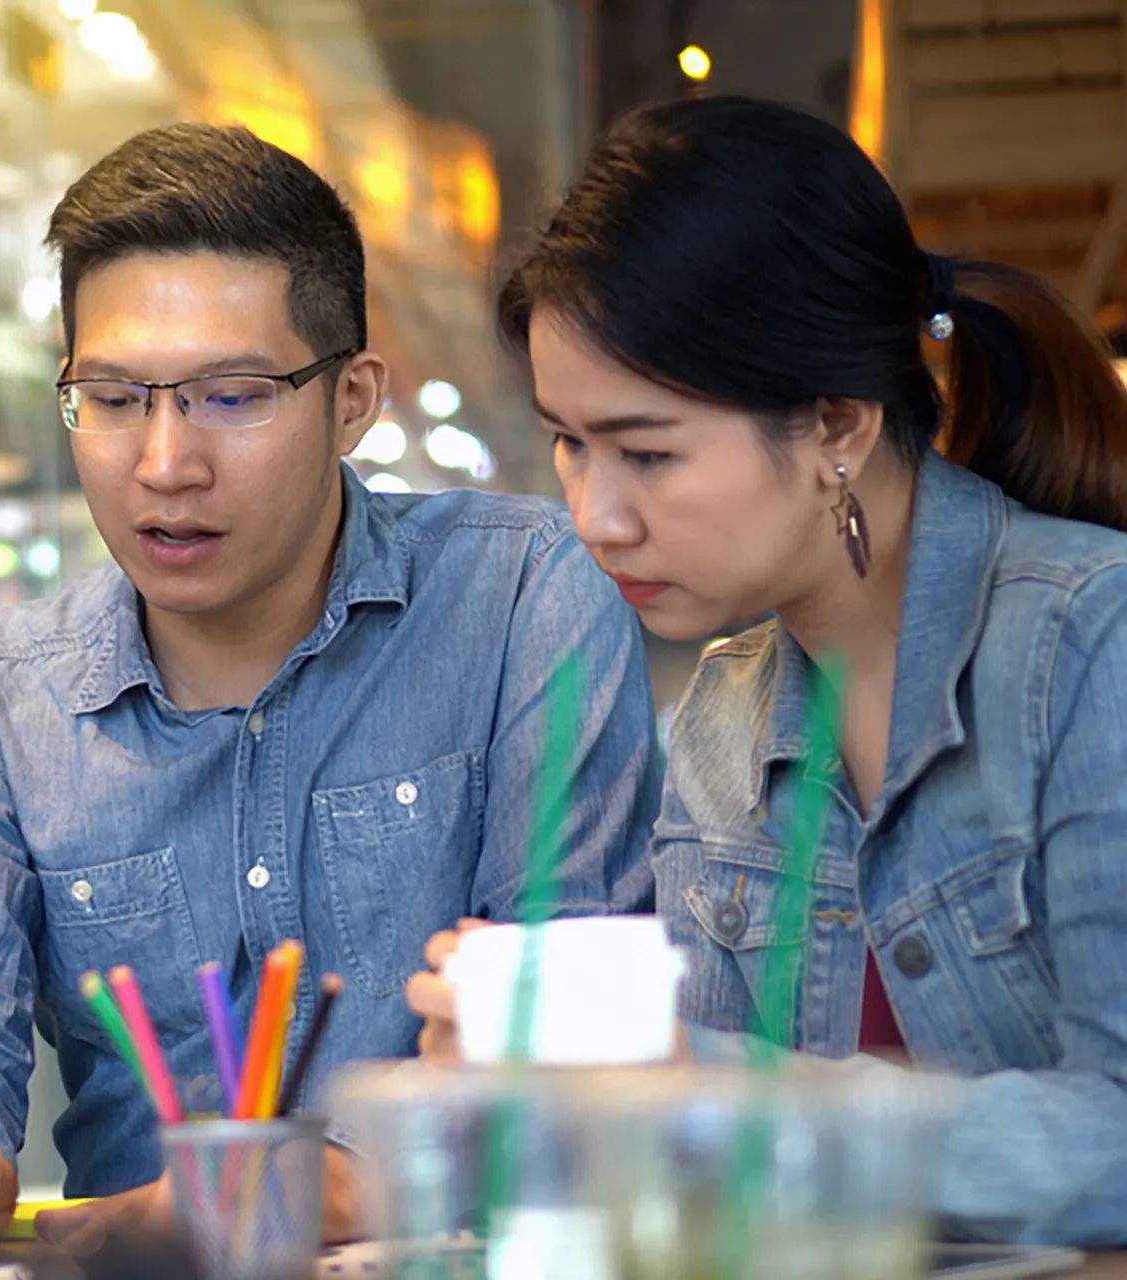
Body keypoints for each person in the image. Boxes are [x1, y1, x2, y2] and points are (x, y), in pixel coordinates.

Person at [0, 121, 662, 1262]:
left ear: (353, 398)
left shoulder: (524, 600)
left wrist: (348, 1187)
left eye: (231, 395)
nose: (165, 463)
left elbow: (566, 1013)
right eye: (113, 398)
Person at [410, 94, 1127, 1245]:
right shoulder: (722, 716)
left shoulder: (1093, 644)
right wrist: (543, 1089)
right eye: (568, 439)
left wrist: (702, 1085)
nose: (594, 515)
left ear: (837, 426)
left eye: (647, 450)